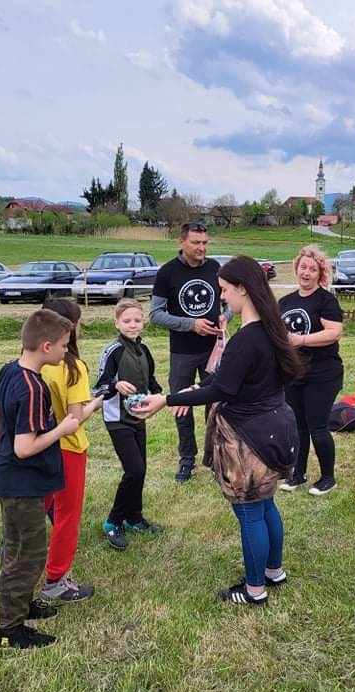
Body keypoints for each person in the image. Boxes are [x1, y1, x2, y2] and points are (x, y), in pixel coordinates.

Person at [134, 256, 303, 606]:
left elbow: (221, 390)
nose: (222, 297)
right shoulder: (273, 331)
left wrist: (166, 399)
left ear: (243, 288)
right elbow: (231, 384)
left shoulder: (247, 339)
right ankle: (274, 570)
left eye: (225, 290)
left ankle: (254, 590)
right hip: (276, 427)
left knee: (249, 510)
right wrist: (188, 394)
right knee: (266, 503)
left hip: (249, 438)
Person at [0, 309, 81, 650]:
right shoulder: (32, 389)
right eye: (64, 346)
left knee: (16, 546)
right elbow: (25, 447)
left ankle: (21, 605)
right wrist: (63, 429)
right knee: (27, 554)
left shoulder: (10, 370)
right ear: (46, 346)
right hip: (22, 483)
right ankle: (10, 630)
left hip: (10, 478)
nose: (67, 351)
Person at [38, 299, 104, 603]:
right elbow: (74, 419)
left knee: (34, 512)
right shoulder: (73, 368)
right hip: (67, 449)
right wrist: (97, 402)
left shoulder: (34, 361)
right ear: (70, 327)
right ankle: (56, 578)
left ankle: (13, 569)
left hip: (37, 445)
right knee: (67, 515)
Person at [149, 221, 222, 483]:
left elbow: (231, 299)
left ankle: (215, 458)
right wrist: (191, 325)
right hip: (182, 352)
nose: (202, 247)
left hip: (214, 351)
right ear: (182, 242)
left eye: (205, 243)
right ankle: (187, 459)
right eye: (196, 243)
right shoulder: (167, 272)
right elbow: (155, 314)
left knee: (215, 405)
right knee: (181, 405)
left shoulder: (215, 268)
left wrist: (226, 317)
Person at [95, 298, 164, 549]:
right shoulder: (113, 351)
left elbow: (151, 380)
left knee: (141, 469)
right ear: (116, 323)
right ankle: (113, 522)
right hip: (117, 419)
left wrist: (159, 394)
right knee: (133, 469)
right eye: (127, 321)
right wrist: (115, 385)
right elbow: (98, 386)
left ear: (143, 323)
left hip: (138, 417)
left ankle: (134, 517)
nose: (132, 325)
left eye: (137, 320)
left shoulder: (144, 350)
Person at [278, 244, 344, 496]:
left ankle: (328, 478)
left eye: (312, 269)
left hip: (323, 374)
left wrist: (301, 340)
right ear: (296, 268)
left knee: (317, 426)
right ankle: (298, 473)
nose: (306, 273)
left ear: (320, 273)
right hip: (294, 374)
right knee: (297, 426)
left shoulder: (326, 300)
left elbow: (334, 332)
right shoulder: (285, 302)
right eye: (303, 267)